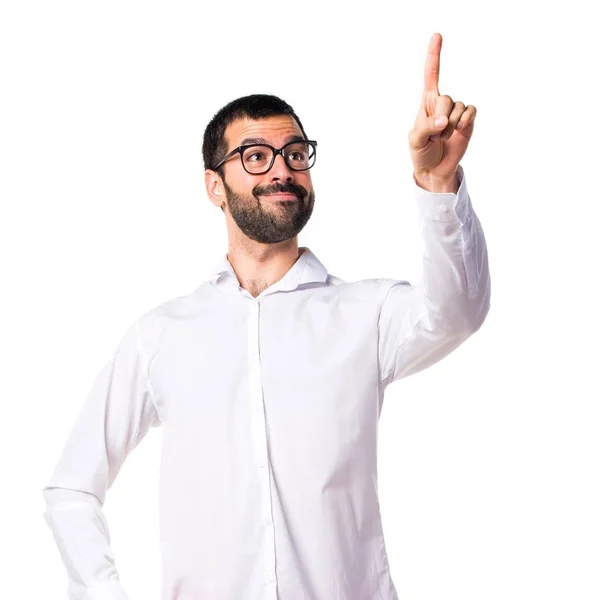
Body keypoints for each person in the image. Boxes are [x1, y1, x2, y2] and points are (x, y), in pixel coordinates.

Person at [42, 32, 490, 600]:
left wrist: (437, 181)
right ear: (215, 187)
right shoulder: (160, 336)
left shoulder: (367, 314)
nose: (282, 170)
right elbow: (71, 489)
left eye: (295, 154)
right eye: (255, 156)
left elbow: (459, 312)